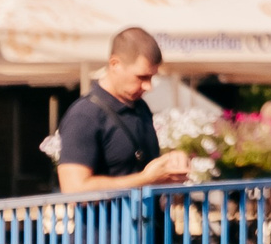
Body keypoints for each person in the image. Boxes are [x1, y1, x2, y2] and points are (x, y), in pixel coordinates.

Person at [55, 28, 193, 194]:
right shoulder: (84, 115)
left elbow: (141, 171)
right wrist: (146, 179)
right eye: (141, 77)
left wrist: (170, 169)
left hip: (149, 219)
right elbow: (74, 190)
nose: (148, 86)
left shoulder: (140, 107)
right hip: (107, 220)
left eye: (151, 77)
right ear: (115, 64)